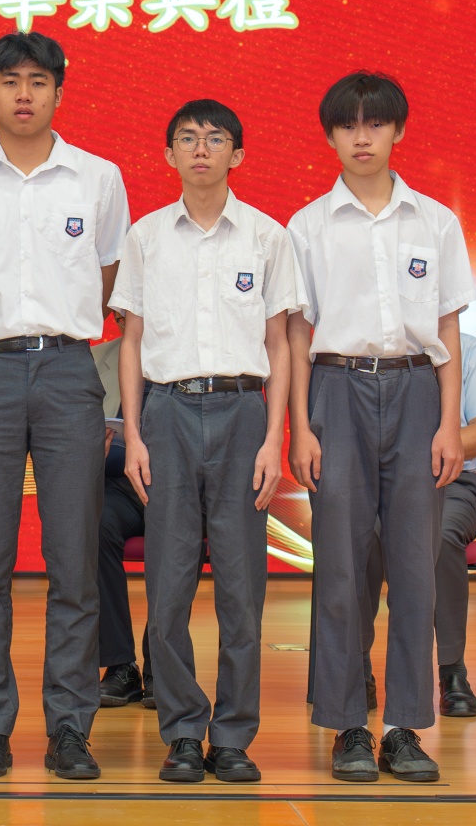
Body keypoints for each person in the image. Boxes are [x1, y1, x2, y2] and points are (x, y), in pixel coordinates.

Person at [0, 31, 125, 781]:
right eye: (9, 81)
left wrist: (56, 339)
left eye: (37, 81)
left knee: (74, 558)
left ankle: (70, 728)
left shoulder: (98, 180)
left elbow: (106, 279)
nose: (23, 94)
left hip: (71, 372)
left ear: (59, 92)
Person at [286, 71, 473, 783]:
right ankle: (347, 728)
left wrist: (449, 422)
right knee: (339, 567)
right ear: (330, 136)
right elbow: (297, 334)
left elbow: (449, 329)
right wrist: (302, 427)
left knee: (415, 570)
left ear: (398, 131)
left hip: (417, 391)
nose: (361, 138)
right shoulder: (308, 226)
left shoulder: (435, 222)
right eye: (347, 125)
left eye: (375, 124)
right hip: (336, 391)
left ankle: (403, 728)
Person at [112, 99, 299, 784]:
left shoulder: (267, 237)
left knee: (242, 591)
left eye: (215, 138)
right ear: (168, 154)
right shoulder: (145, 237)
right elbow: (131, 341)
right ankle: (184, 731)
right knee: (168, 587)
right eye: (187, 138)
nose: (200, 149)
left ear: (237, 154)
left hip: (243, 413)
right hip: (166, 412)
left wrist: (273, 437)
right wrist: (134, 435)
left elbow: (280, 344)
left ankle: (234, 736)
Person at [361, 330, 476, 717]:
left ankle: (451, 670)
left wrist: (412, 452)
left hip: (449, 479)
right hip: (381, 481)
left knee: (437, 533)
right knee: (362, 535)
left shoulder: (472, 351)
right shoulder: (369, 349)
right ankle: (356, 668)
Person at [92, 339, 150, 710]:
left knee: (179, 531)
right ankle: (120, 665)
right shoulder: (92, 360)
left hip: (176, 485)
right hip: (118, 483)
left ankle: (162, 667)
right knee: (94, 524)